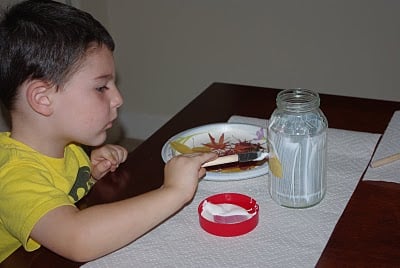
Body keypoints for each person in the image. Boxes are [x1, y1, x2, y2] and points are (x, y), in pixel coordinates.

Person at [0, 0, 216, 262]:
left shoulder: (66, 147)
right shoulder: (12, 177)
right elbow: (78, 238)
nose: (118, 99)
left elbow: (55, 187)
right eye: (101, 87)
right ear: (43, 99)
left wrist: (89, 173)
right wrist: (172, 192)